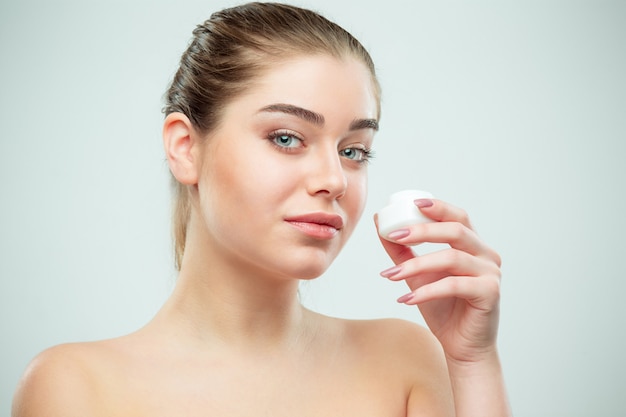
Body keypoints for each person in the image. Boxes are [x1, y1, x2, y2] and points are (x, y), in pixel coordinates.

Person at [12, 2, 510, 416]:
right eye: (287, 138)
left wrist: (472, 361)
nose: (334, 180)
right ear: (186, 147)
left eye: (353, 150)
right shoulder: (75, 389)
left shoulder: (405, 362)